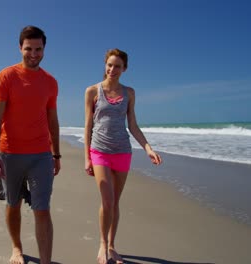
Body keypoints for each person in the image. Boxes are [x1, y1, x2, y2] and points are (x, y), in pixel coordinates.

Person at [0, 25, 61, 264]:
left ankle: (45, 261)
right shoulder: (6, 76)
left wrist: (56, 154)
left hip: (40, 154)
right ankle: (16, 248)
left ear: (44, 49)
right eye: (28, 48)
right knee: (13, 204)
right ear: (20, 48)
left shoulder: (50, 82)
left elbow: (52, 119)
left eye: (38, 49)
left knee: (42, 208)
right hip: (9, 153)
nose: (34, 53)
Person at [84, 48, 162, 264]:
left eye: (117, 66)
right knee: (107, 200)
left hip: (122, 152)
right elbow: (88, 125)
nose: (112, 69)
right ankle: (102, 245)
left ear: (124, 69)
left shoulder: (129, 93)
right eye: (109, 65)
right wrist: (87, 157)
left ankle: (111, 245)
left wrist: (148, 148)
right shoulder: (92, 91)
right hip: (99, 151)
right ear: (105, 65)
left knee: (115, 202)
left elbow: (133, 125)